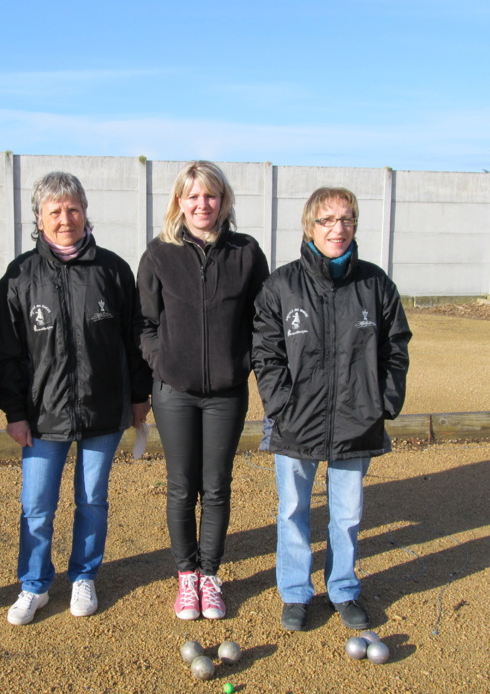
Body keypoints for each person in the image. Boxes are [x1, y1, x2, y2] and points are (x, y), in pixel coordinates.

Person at [0, 171, 151, 626]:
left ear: (85, 213)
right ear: (39, 219)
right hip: (42, 417)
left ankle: (84, 575)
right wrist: (14, 412)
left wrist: (139, 397)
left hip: (102, 410)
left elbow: (134, 340)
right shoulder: (20, 275)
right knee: (37, 505)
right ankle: (35, 584)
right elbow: (5, 351)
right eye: (55, 211)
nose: (65, 219)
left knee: (92, 499)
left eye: (73, 209)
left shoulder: (112, 271)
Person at [251, 187, 411, 632]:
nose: (338, 228)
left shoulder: (376, 284)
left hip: (357, 420)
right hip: (295, 422)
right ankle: (297, 593)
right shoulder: (281, 286)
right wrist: (281, 405)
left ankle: (343, 589)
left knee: (347, 513)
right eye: (327, 220)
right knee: (293, 510)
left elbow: (395, 348)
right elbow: (266, 353)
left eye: (347, 219)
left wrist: (384, 402)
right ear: (310, 227)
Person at [137, 161, 269, 621]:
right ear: (179, 201)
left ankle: (211, 576)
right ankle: (186, 576)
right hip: (174, 392)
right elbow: (146, 323)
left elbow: (262, 320)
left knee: (216, 487)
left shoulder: (247, 253)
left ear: (223, 201)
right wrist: (164, 361)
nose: (202, 204)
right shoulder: (159, 253)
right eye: (192, 196)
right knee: (180, 487)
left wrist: (244, 361)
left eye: (210, 196)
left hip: (226, 394)